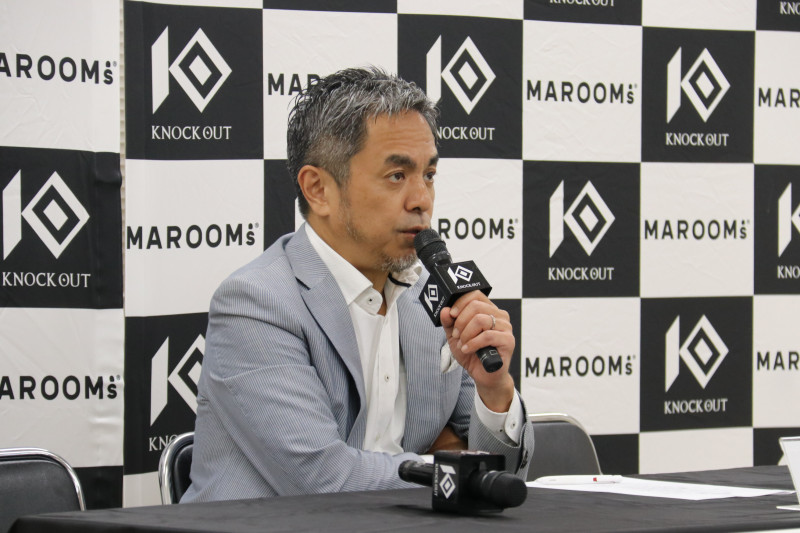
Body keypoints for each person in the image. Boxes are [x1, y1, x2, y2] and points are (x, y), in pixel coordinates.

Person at [181, 67, 533, 502]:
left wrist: (493, 393)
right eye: (397, 175)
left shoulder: (435, 296)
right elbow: (322, 480)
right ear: (318, 189)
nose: (422, 199)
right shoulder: (257, 303)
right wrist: (447, 463)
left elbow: (504, 478)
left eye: (429, 175)